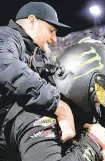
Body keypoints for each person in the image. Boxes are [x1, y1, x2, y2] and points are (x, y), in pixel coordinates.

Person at [0, 2, 76, 143]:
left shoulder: (42, 54)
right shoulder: (7, 35)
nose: (54, 38)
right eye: (51, 30)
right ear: (32, 21)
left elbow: (66, 85)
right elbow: (4, 65)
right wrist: (58, 105)